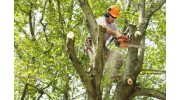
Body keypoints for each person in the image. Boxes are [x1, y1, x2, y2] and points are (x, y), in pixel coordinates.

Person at [85, 5, 124, 81]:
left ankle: (114, 75)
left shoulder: (114, 26)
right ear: (108, 14)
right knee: (95, 62)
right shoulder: (101, 20)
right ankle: (91, 72)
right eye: (113, 17)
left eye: (115, 17)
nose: (114, 19)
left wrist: (119, 40)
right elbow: (104, 28)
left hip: (102, 47)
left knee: (119, 57)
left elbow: (117, 38)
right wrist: (115, 33)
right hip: (92, 43)